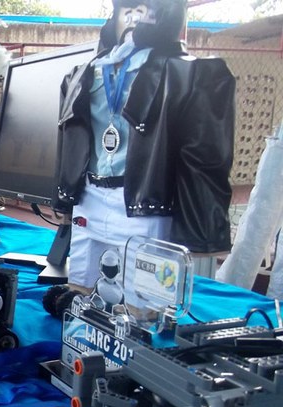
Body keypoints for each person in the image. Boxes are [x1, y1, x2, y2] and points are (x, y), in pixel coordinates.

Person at [53, 0, 235, 289]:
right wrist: (64, 199)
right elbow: (68, 142)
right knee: (81, 290)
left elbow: (205, 158)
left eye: (141, 10)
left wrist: (203, 230)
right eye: (126, 11)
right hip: (89, 197)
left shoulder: (189, 74)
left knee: (145, 305)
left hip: (143, 203)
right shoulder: (84, 73)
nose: (133, 19)